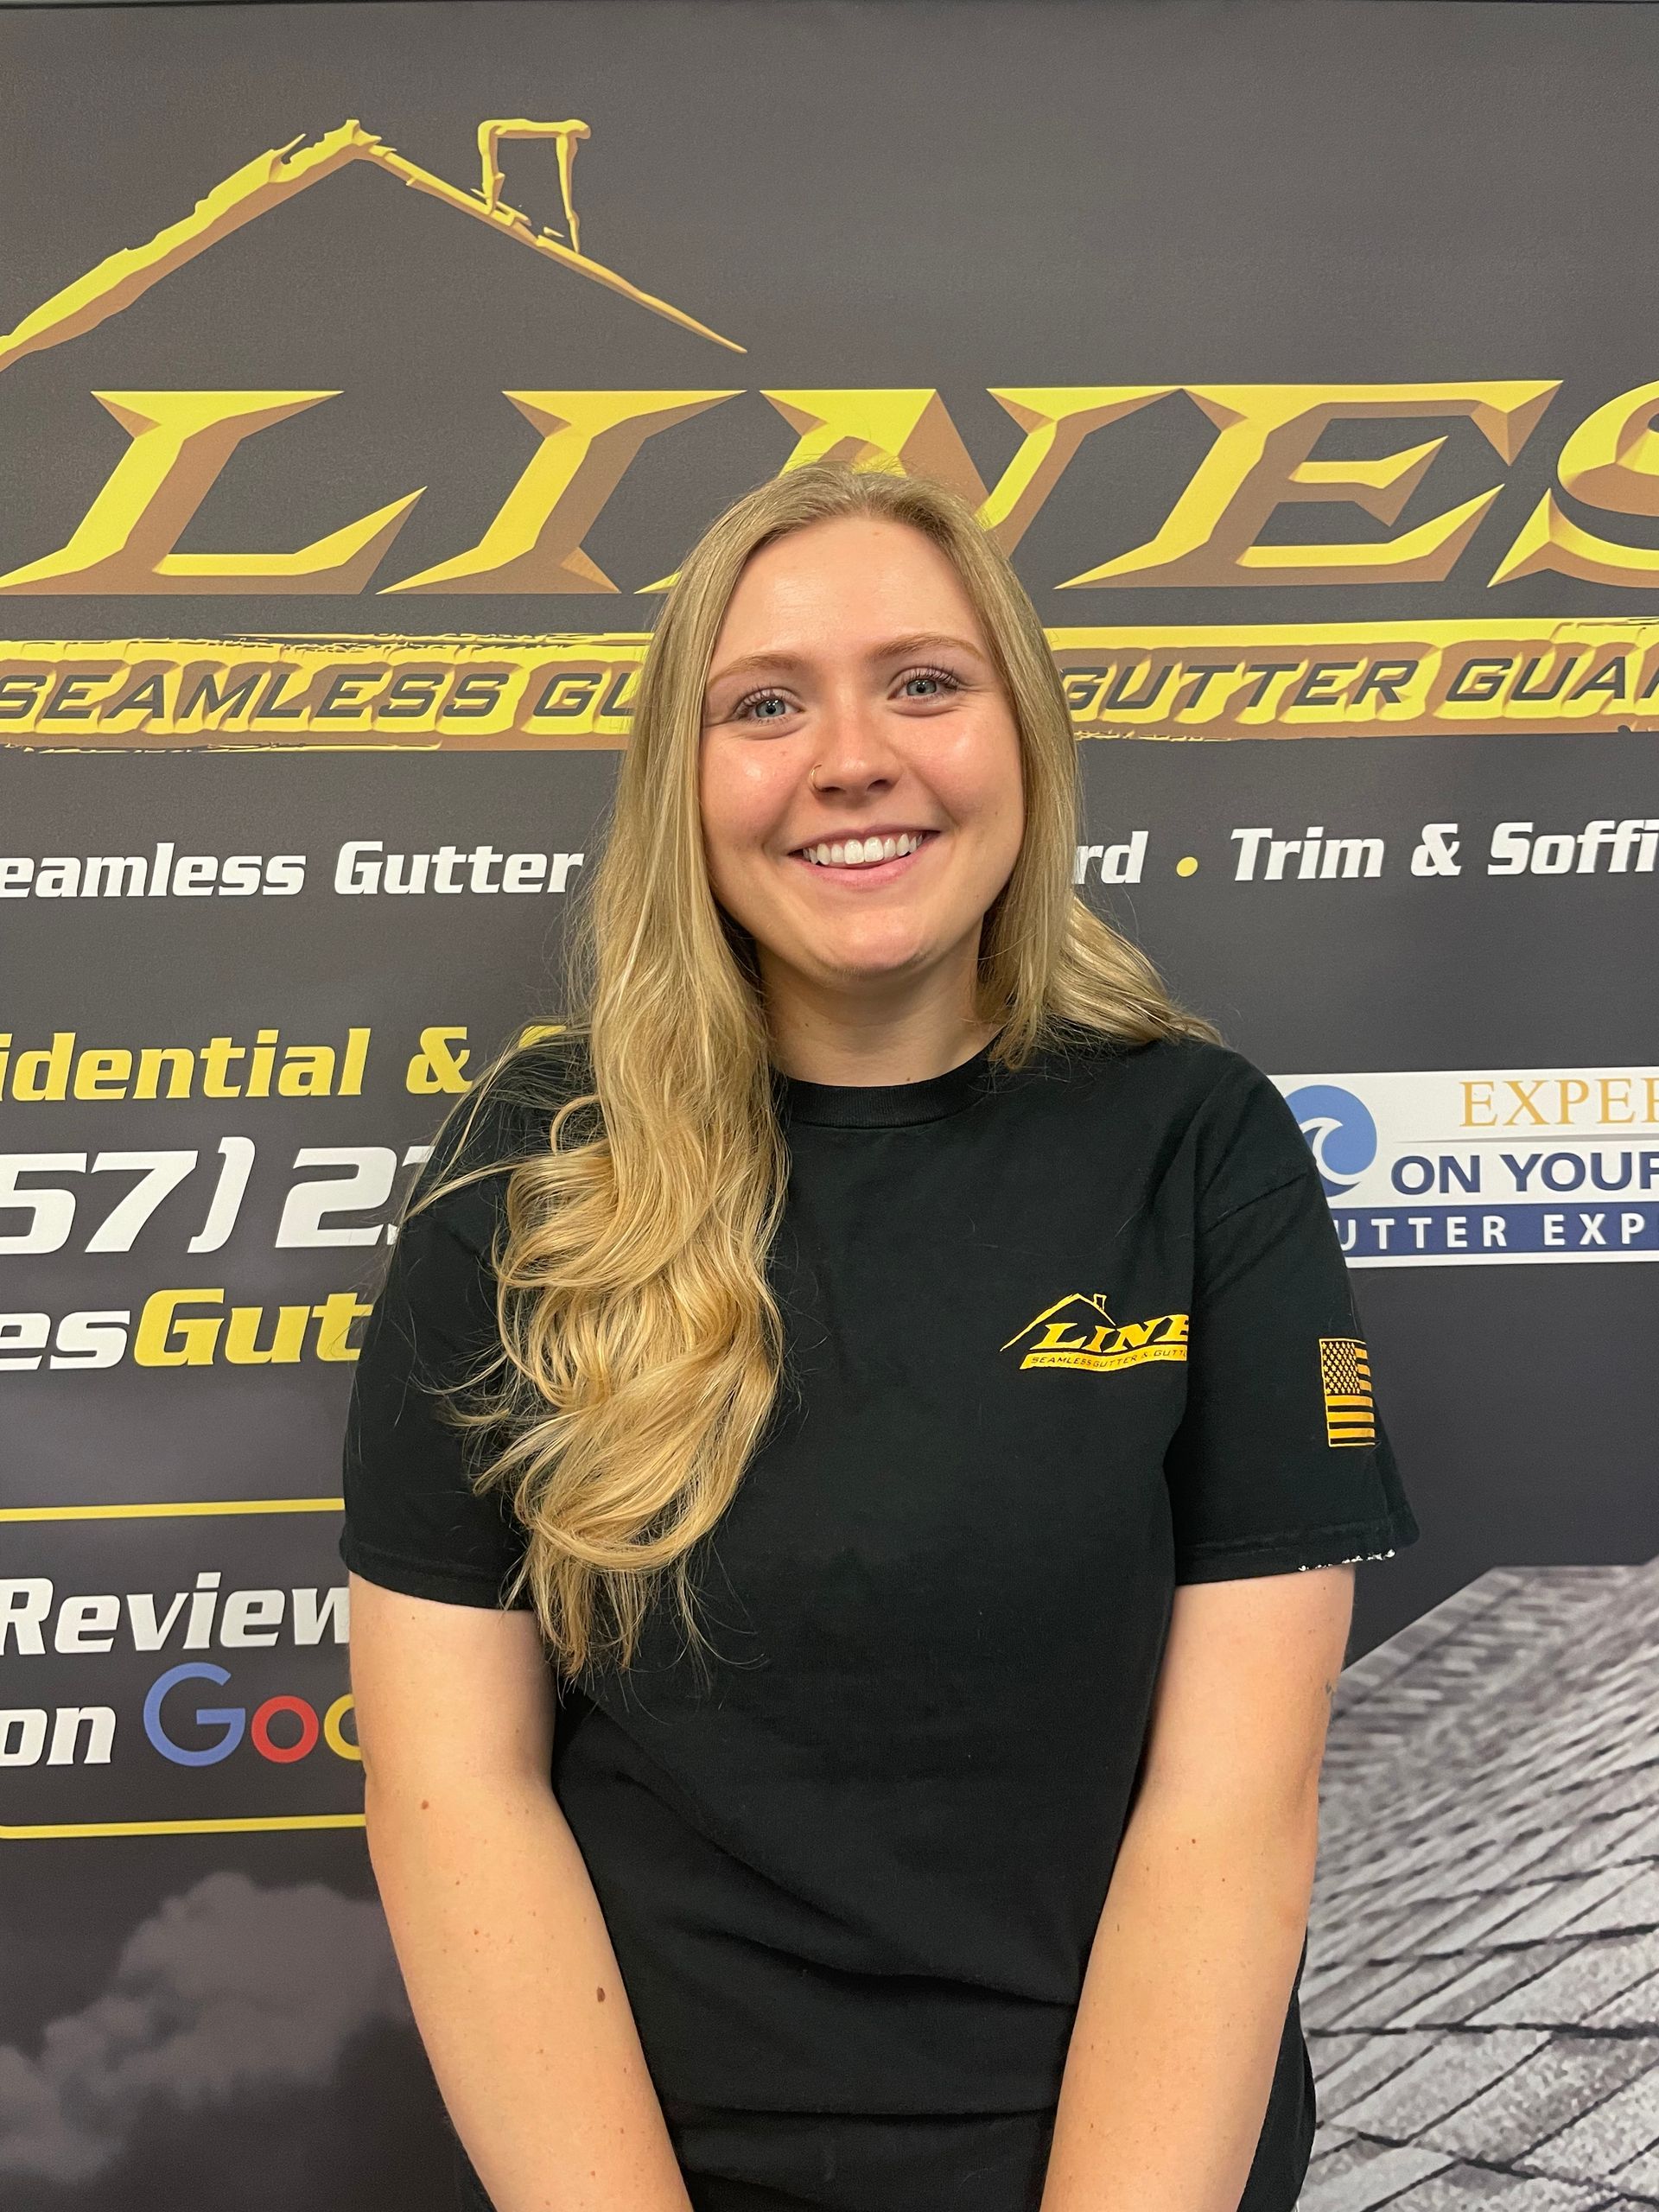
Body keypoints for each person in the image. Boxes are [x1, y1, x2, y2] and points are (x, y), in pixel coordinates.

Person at [340, 460, 1420, 2212]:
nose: (852, 757)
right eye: (766, 704)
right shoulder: (533, 1171)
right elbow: (452, 1790)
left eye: (924, 682)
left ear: (1025, 738)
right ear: (683, 781)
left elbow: (1234, 1811)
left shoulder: (1196, 1144)